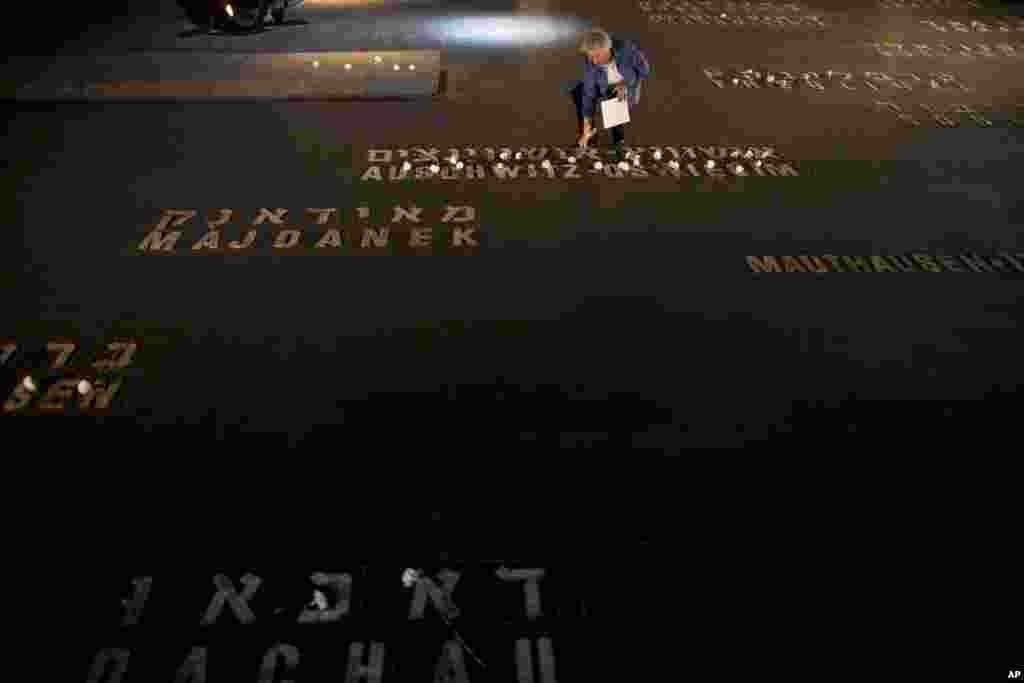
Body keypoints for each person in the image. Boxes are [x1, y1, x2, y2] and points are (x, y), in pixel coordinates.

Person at [572, 29, 651, 153]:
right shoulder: (592, 61)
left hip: (626, 85)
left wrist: (624, 84)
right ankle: (589, 133)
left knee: (614, 101)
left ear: (607, 50)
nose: (593, 61)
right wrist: (586, 125)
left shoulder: (627, 51)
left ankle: (618, 140)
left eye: (596, 56)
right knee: (579, 92)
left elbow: (644, 70)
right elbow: (589, 92)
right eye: (590, 56)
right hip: (603, 83)